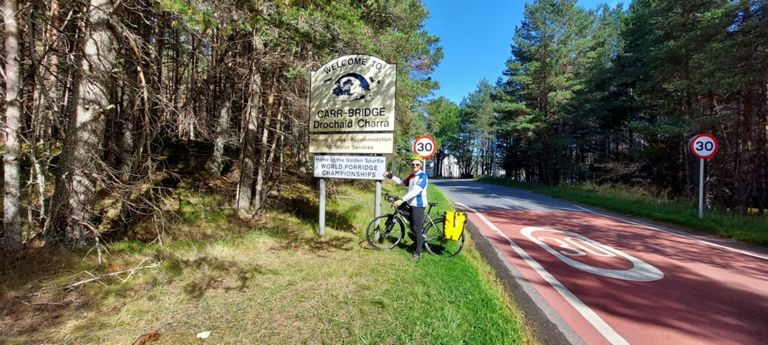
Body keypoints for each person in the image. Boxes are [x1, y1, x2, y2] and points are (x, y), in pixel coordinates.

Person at [383, 155, 428, 261]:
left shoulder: (423, 176)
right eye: (413, 164)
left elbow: (416, 191)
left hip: (418, 205)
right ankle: (417, 239)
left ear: (421, 165)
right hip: (411, 204)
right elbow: (402, 182)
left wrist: (402, 199)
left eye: (417, 164)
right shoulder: (412, 176)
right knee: (412, 225)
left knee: (417, 229)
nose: (415, 166)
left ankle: (417, 253)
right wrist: (390, 176)